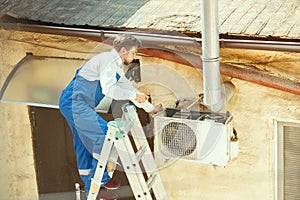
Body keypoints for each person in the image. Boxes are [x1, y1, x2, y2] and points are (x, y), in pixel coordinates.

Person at [59, 34, 163, 200]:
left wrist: (150, 108)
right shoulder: (108, 61)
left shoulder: (115, 66)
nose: (134, 57)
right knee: (104, 136)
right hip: (75, 103)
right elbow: (109, 90)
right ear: (123, 50)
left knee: (82, 142)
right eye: (133, 53)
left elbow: (129, 89)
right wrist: (133, 95)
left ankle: (91, 186)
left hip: (76, 104)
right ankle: (99, 181)